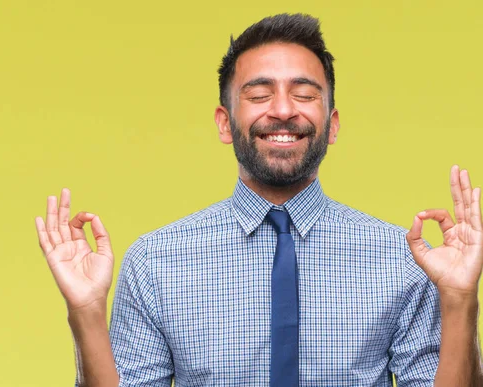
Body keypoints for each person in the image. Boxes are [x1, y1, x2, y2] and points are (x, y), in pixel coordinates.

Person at [35, 13, 483, 386]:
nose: (284, 110)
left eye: (305, 94)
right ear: (225, 123)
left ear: (332, 124)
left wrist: (462, 298)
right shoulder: (155, 262)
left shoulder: (404, 259)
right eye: (259, 94)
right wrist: (87, 313)